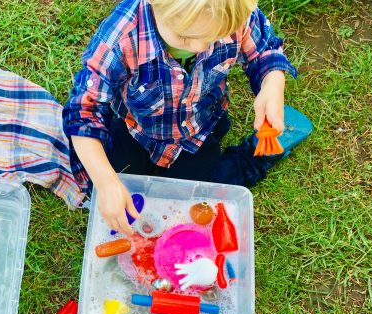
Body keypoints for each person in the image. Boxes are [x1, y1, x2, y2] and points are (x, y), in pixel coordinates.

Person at [63, 0, 312, 235]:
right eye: (186, 37)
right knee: (110, 192)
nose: (200, 47)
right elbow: (84, 112)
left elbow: (265, 50)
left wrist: (272, 83)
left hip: (197, 131)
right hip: (135, 132)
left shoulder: (233, 11)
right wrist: (106, 183)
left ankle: (251, 158)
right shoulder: (120, 37)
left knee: (201, 201)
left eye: (214, 37)